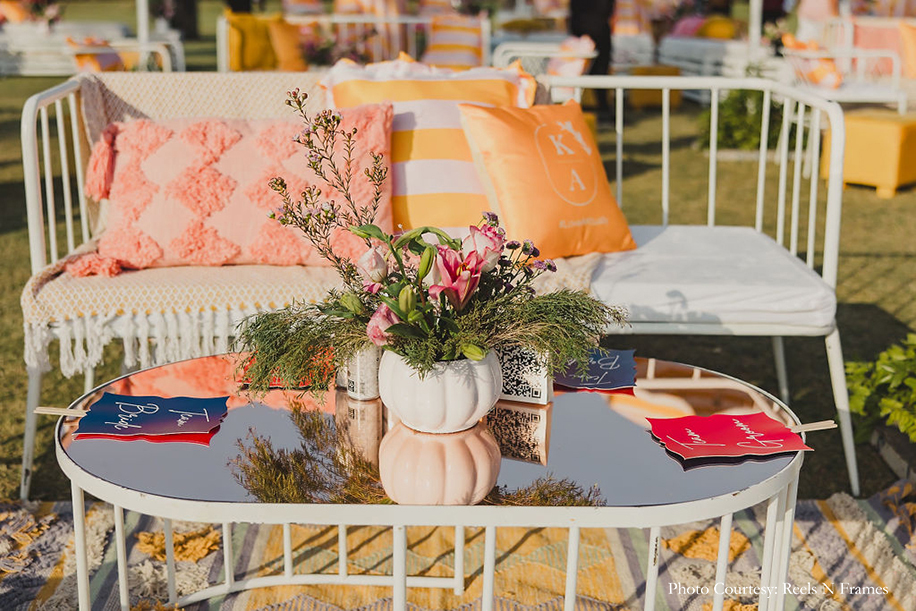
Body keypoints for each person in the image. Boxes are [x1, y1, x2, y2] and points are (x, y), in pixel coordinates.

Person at [568, 0, 615, 116]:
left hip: (582, 32)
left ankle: (577, 106)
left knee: (578, 72)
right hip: (598, 31)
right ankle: (603, 107)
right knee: (599, 71)